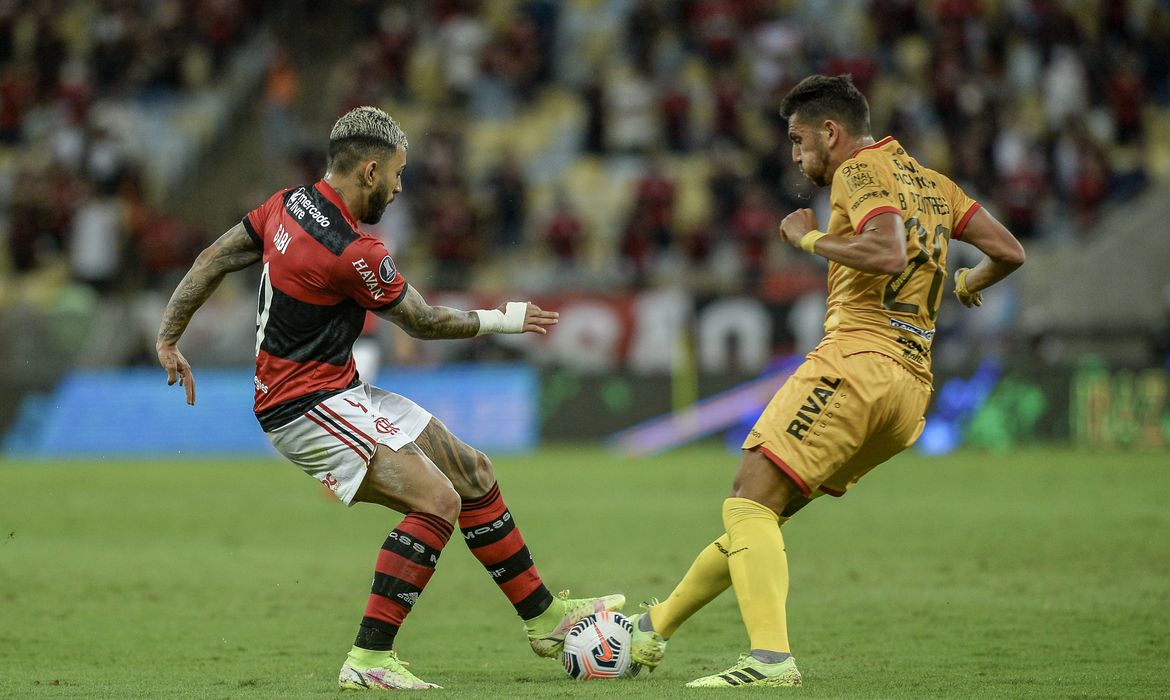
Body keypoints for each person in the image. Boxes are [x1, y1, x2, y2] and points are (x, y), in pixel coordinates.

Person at [155, 106, 623, 691]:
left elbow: (211, 259)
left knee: (471, 471)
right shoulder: (355, 251)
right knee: (437, 501)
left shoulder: (286, 203)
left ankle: (546, 620)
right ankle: (369, 658)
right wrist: (503, 319)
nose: (401, 188)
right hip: (305, 406)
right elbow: (423, 322)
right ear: (371, 171)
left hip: (336, 389)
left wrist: (169, 337)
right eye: (399, 175)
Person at [627, 74, 1026, 688]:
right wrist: (969, 282)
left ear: (830, 132)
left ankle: (769, 661)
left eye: (797, 140)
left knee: (747, 497)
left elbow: (887, 251)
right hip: (910, 390)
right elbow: (1009, 250)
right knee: (761, 512)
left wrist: (807, 237)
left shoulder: (857, 170)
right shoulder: (933, 183)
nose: (795, 154)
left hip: (856, 363)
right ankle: (653, 631)